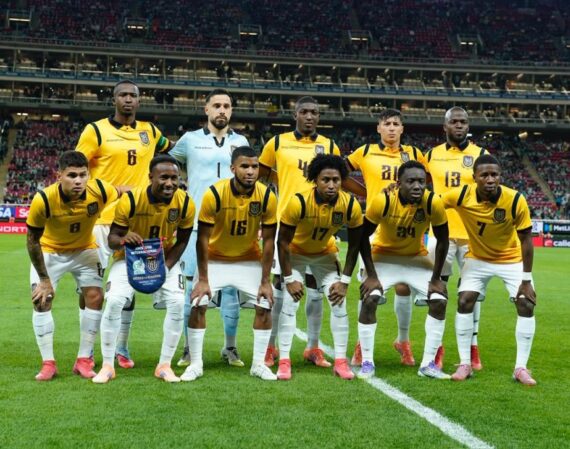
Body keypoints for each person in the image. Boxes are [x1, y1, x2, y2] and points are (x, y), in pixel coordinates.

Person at [76, 79, 172, 369]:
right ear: (114, 99)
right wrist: (109, 190)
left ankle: (122, 347)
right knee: (91, 289)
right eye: (123, 95)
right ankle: (87, 352)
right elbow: (77, 168)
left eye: (133, 95)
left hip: (135, 221)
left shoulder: (150, 131)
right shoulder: (95, 130)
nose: (128, 100)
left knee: (130, 283)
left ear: (139, 101)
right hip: (100, 221)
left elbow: (172, 151)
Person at [92, 155, 195, 383]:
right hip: (129, 259)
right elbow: (112, 239)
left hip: (164, 259)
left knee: (178, 303)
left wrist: (165, 268)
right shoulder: (131, 200)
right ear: (150, 177)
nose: (170, 183)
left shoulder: (186, 202)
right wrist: (123, 239)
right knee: (114, 301)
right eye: (164, 177)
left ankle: (164, 365)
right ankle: (108, 365)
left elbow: (182, 241)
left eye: (174, 178)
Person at [180, 146, 278, 382]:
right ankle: (195, 363)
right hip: (215, 258)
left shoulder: (267, 196)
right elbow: (202, 239)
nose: (250, 171)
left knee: (265, 303)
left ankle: (258, 365)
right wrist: (203, 279)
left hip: (248, 258)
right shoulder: (214, 193)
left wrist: (266, 281)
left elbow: (268, 241)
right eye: (244, 166)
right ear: (233, 168)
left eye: (254, 166)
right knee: (198, 302)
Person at [259, 96, 341, 369]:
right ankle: (271, 346)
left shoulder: (329, 145)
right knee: (281, 287)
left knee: (316, 291)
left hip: (319, 228)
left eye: (314, 112)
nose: (309, 116)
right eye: (304, 111)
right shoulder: (277, 142)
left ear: (318, 116)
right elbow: (261, 172)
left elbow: (338, 178)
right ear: (295, 114)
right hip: (287, 225)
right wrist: (280, 180)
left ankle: (313, 348)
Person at [169, 88, 249, 368]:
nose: (222, 110)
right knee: (192, 288)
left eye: (226, 106)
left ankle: (230, 347)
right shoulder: (189, 140)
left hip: (230, 227)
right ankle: (189, 349)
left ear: (231, 111)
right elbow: (168, 165)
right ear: (206, 110)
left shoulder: (240, 141)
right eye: (216, 105)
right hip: (195, 226)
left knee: (231, 289)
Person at [440, 154, 537, 385]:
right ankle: (465, 363)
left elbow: (526, 240)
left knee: (526, 303)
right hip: (477, 258)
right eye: (484, 175)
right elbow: (432, 202)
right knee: (464, 300)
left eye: (495, 174)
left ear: (500, 176)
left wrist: (526, 280)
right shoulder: (461, 195)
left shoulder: (515, 199)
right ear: (474, 177)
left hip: (511, 259)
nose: (490, 179)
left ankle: (521, 368)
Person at [26, 151, 120, 381]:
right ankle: (48, 363)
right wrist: (44, 280)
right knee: (41, 300)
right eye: (72, 175)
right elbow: (32, 241)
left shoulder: (100, 190)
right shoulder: (44, 199)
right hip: (50, 251)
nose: (78, 181)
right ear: (59, 176)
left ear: (88, 175)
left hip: (84, 250)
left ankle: (83, 360)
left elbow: (124, 191)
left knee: (95, 297)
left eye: (82, 175)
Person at [346, 108, 428, 367]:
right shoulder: (365, 152)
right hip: (374, 226)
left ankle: (403, 341)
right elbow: (340, 172)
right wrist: (365, 192)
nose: (391, 128)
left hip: (405, 226)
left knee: (404, 286)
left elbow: (427, 182)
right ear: (378, 128)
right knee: (368, 288)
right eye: (387, 124)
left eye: (396, 124)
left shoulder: (414, 154)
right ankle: (361, 345)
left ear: (402, 128)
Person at [358, 160, 450, 379]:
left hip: (415, 258)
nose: (417, 186)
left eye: (421, 181)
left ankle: (428, 364)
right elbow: (361, 237)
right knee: (370, 298)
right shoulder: (383, 200)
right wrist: (371, 275)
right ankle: (367, 362)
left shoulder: (432, 202)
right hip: (383, 256)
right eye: (411, 181)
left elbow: (443, 240)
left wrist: (436, 278)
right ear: (399, 183)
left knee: (439, 300)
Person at [276, 154, 363, 380]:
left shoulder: (350, 204)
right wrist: (289, 279)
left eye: (336, 180)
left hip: (324, 255)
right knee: (289, 302)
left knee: (338, 302)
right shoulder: (298, 202)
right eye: (326, 180)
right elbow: (282, 242)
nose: (331, 185)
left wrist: (345, 282)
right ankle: (284, 361)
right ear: (315, 180)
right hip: (295, 254)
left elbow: (355, 246)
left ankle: (341, 362)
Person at [425, 106, 488, 371]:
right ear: (445, 126)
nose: (459, 125)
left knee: (470, 292)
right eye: (454, 122)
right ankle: (436, 349)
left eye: (463, 121)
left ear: (468, 125)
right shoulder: (431, 155)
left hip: (473, 234)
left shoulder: (481, 155)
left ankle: (473, 348)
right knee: (437, 290)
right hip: (441, 234)